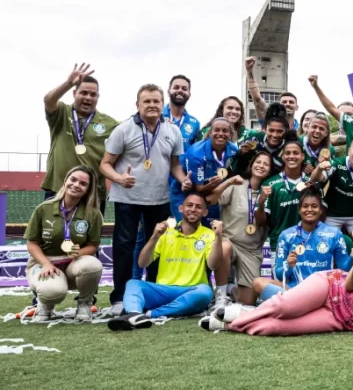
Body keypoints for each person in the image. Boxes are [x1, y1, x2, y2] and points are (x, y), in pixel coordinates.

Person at [205, 216, 353, 337]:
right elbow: (351, 285)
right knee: (284, 307)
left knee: (273, 329)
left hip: (343, 320)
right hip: (331, 286)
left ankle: (230, 324)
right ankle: (240, 314)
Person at [100, 84, 189, 315]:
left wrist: (183, 180)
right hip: (127, 197)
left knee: (157, 247)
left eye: (156, 101)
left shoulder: (172, 131)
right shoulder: (123, 130)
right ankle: (119, 298)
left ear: (163, 105)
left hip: (158, 199)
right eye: (146, 101)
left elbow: (175, 166)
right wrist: (119, 178)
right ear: (137, 105)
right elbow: (105, 164)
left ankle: (152, 293)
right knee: (124, 247)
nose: (152, 105)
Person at [108, 193, 221, 330]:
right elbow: (142, 263)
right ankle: (134, 313)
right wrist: (155, 236)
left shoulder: (209, 234)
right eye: (189, 205)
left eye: (198, 207)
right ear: (180, 208)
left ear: (205, 212)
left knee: (205, 292)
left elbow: (213, 265)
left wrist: (219, 236)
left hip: (191, 290)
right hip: (162, 290)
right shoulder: (166, 233)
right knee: (133, 283)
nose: (193, 209)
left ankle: (150, 314)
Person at [25, 166, 104, 322]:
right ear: (65, 181)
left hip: (73, 264)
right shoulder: (43, 209)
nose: (76, 185)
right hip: (45, 264)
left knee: (93, 265)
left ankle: (85, 303)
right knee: (51, 291)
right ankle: (45, 304)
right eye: (73, 179)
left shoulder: (93, 214)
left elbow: (93, 246)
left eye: (83, 183)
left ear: (88, 189)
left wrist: (78, 253)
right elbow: (32, 244)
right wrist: (46, 264)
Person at [42, 63, 118, 210]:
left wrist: (162, 119)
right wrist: (68, 83)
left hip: (93, 193)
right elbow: (48, 100)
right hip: (58, 189)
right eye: (83, 93)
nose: (88, 97)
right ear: (74, 93)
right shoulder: (61, 113)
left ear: (98, 97)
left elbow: (134, 127)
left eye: (93, 94)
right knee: (53, 233)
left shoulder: (110, 123)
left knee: (91, 234)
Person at [256, 189, 353, 301]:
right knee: (258, 283)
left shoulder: (334, 233)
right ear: (299, 210)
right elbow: (279, 275)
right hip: (294, 289)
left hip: (322, 290)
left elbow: (344, 269)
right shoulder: (286, 235)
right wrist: (288, 265)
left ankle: (292, 306)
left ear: (320, 210)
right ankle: (297, 304)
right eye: (305, 206)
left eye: (314, 206)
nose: (309, 210)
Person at [206, 152, 273, 306]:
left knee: (248, 301)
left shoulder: (270, 190)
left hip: (252, 249)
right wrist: (228, 182)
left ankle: (231, 289)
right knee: (224, 247)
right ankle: (221, 295)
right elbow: (212, 199)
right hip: (230, 241)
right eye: (258, 162)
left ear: (270, 170)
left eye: (266, 164)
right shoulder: (238, 183)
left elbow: (262, 222)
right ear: (251, 164)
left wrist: (262, 202)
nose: (261, 166)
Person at [176, 117, 238, 222]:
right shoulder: (197, 154)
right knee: (189, 226)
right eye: (217, 130)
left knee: (210, 228)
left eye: (225, 131)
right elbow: (198, 188)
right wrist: (212, 185)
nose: (221, 133)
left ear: (230, 134)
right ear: (210, 132)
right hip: (186, 190)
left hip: (211, 190)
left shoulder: (233, 150)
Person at [311, 137, 353, 238]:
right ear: (349, 150)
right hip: (333, 215)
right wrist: (319, 168)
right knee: (326, 243)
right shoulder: (337, 164)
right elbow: (315, 178)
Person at [255, 138, 308, 252]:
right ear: (282, 156)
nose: (291, 156)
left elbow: (321, 216)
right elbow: (259, 222)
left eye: (296, 153)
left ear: (302, 156)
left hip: (307, 244)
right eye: (287, 153)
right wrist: (261, 204)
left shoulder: (310, 183)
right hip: (278, 246)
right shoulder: (270, 184)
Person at [246, 56, 299, 131]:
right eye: (284, 102)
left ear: (297, 107)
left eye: (291, 102)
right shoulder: (268, 122)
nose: (287, 104)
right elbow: (257, 100)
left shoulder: (302, 129)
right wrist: (249, 72)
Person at [163, 75, 201, 152]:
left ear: (189, 95)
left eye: (184, 89)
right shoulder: (157, 116)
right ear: (168, 91)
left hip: (181, 164)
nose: (180, 90)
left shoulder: (195, 123)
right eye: (176, 87)